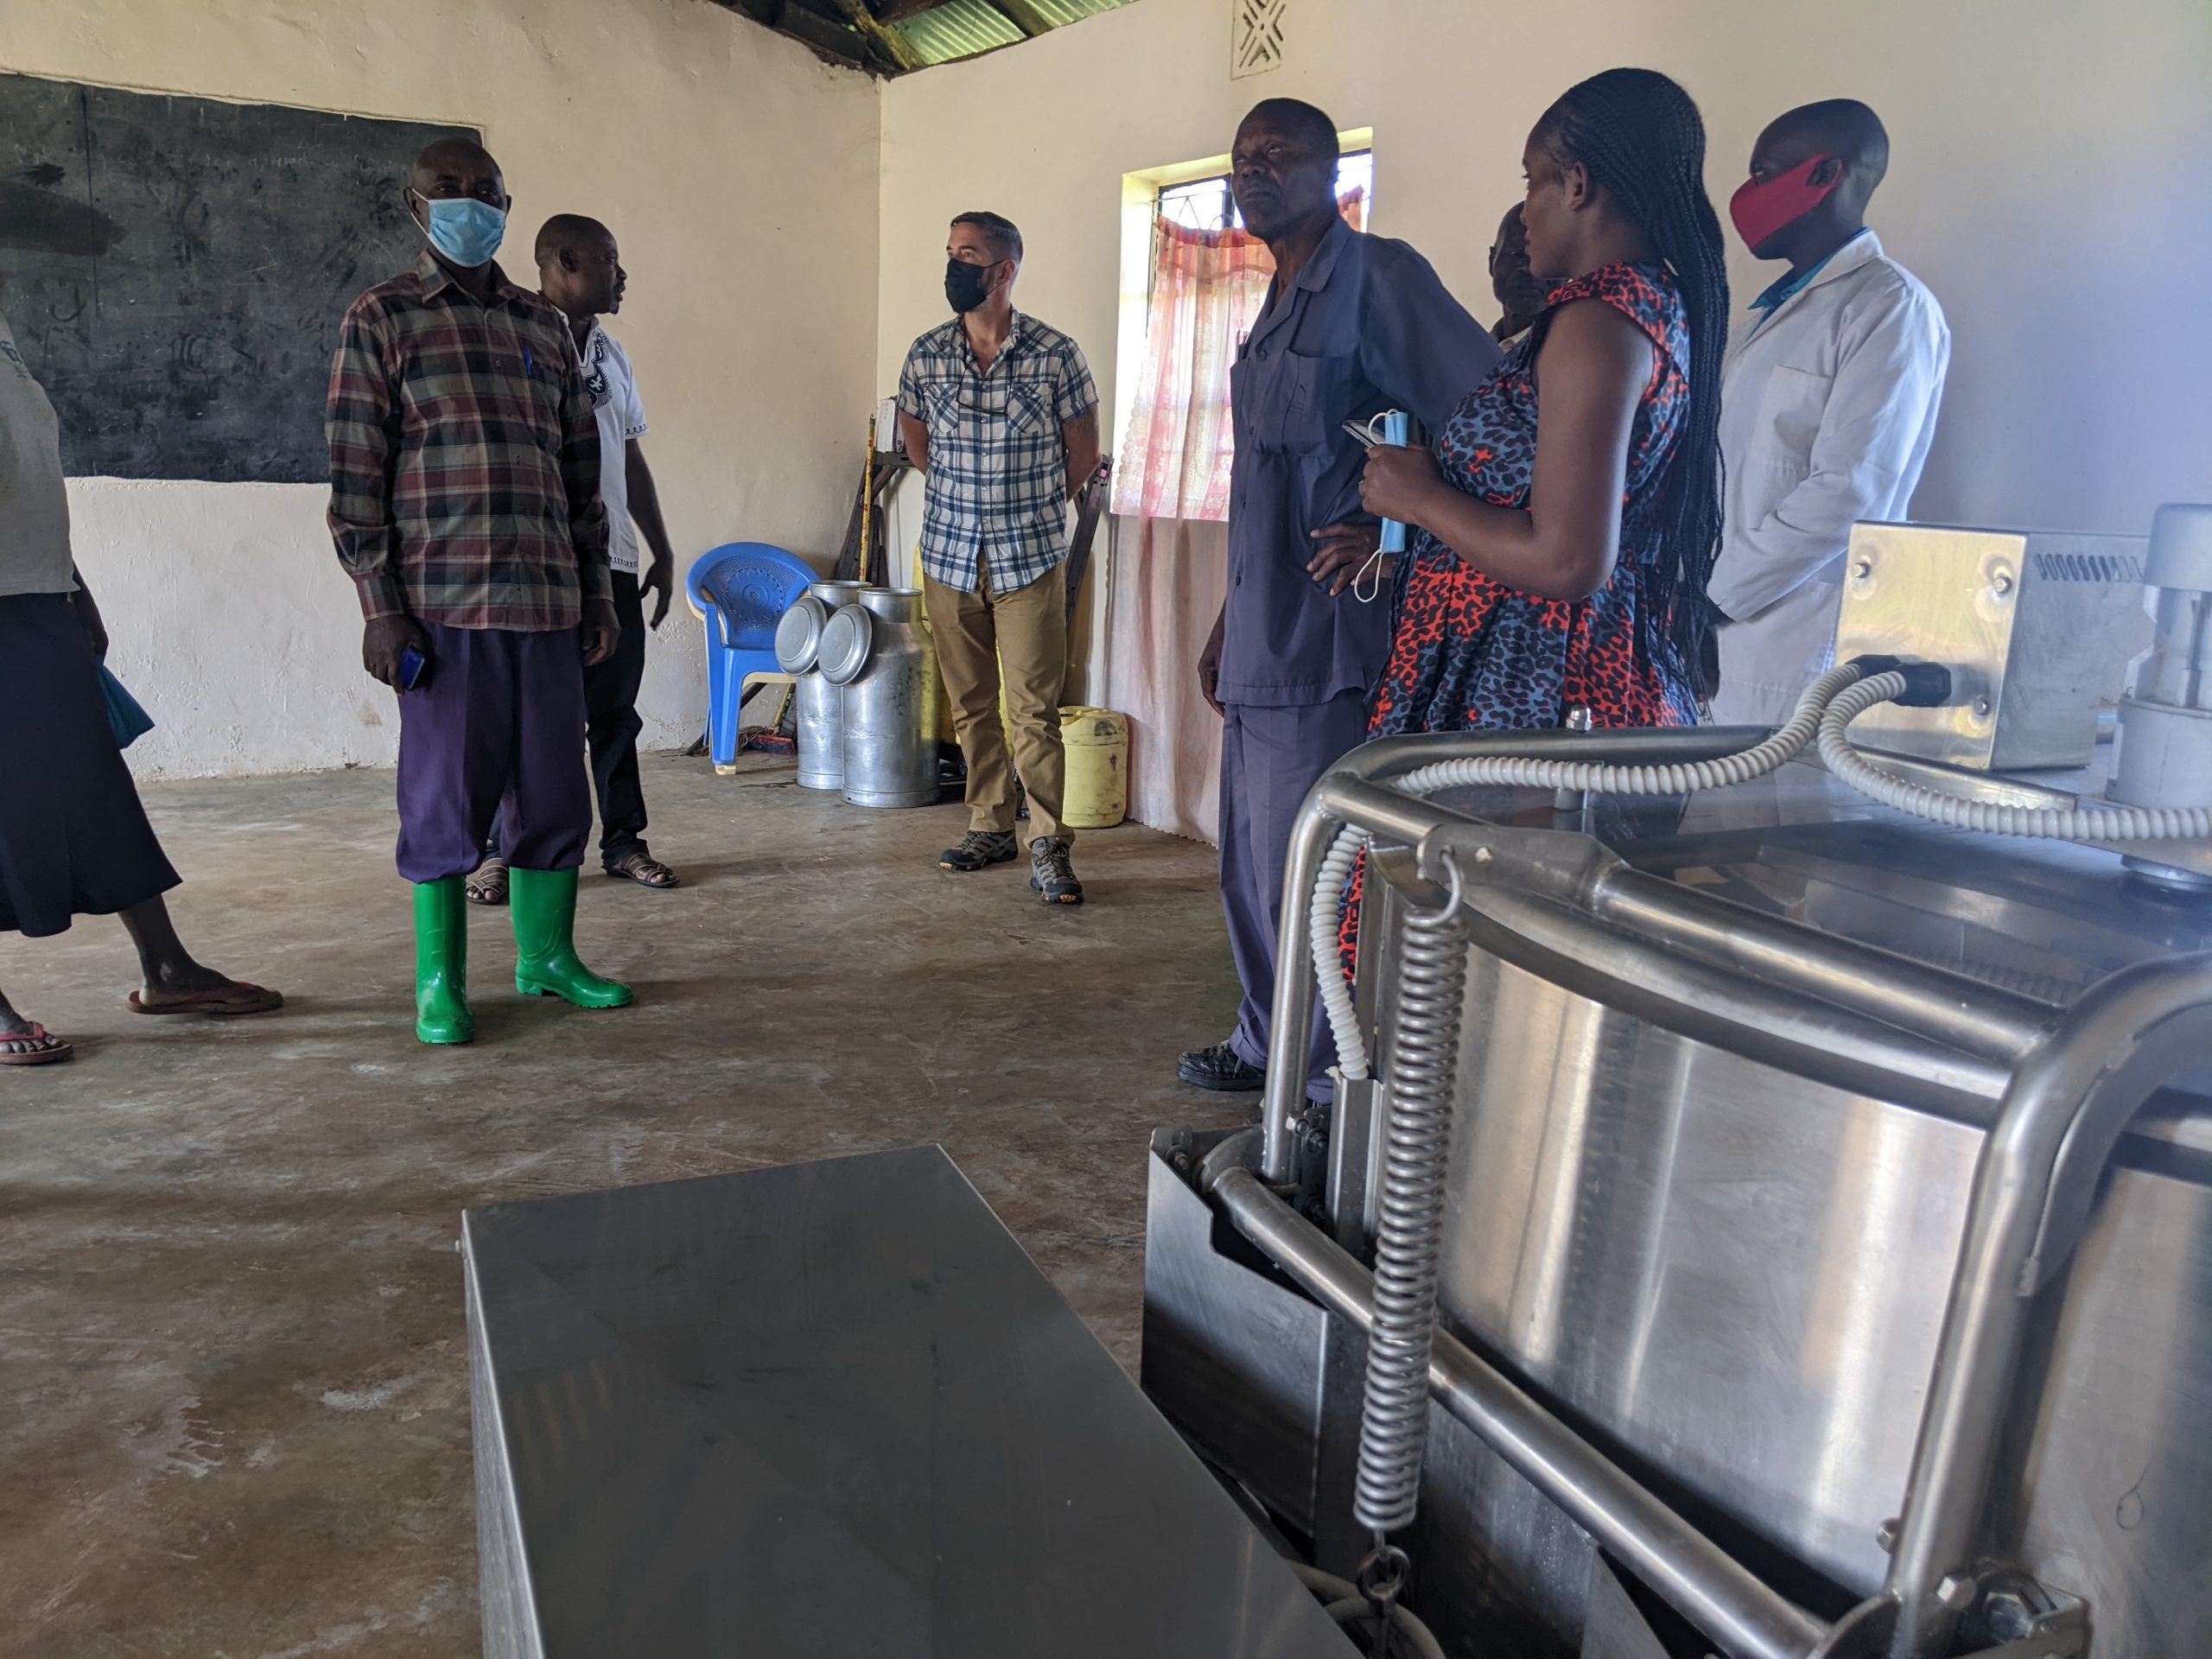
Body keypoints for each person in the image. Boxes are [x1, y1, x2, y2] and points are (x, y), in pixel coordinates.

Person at [1177, 99, 1499, 1101]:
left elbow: (1492, 426)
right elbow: (1267, 485)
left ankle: (1321, 1088)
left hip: (1331, 638)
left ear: (1333, 178)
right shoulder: (1275, 301)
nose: (1254, 170)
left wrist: (1397, 532)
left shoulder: (1380, 278)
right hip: (1264, 634)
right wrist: (1228, 622)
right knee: (1252, 862)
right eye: (1243, 158)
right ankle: (1265, 1038)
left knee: (1317, 874)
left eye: (1279, 155)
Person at [327, 137, 631, 1046]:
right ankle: (439, 983)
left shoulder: (543, 325)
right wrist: (381, 605)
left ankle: (545, 958)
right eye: (448, 189)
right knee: (445, 800)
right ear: (415, 204)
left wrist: (599, 596)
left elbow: (582, 474)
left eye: (485, 191)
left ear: (506, 204)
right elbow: (355, 478)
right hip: (443, 611)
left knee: (553, 794)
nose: (469, 203)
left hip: (546, 606)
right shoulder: (382, 319)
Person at [1357, 67, 1729, 743]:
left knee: (1496, 856)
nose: (1524, 211)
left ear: (1578, 184)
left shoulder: (1597, 320)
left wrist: (1420, 500)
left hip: (1535, 690)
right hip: (1545, 674)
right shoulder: (1646, 306)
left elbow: (1567, 561)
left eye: (1531, 181)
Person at [0, 312, 281, 1065]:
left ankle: (165, 968)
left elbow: (28, 476)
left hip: (33, 593)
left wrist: (72, 582)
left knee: (92, 786)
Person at [1707, 100, 1950, 725]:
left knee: (1776, 816)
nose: (1748, 195)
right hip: (1720, 634)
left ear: (1824, 175)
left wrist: (1712, 596)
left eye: (1763, 173)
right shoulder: (1768, 315)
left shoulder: (1890, 307)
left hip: (1795, 641)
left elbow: (1852, 489)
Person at [467, 213, 682, 906]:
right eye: (609, 261)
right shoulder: (513, 339)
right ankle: (502, 851)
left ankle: (624, 842)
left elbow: (630, 454)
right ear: (564, 261)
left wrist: (660, 545)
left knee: (615, 711)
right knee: (528, 716)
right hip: (537, 566)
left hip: (611, 560)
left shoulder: (613, 356)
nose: (622, 276)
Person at [897, 211, 1102, 906]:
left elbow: (1084, 452)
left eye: (970, 255)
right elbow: (917, 446)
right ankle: (990, 825)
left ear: (1005, 270)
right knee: (970, 704)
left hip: (1029, 558)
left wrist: (1034, 510)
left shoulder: (1056, 354)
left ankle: (1048, 842)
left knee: (1035, 709)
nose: (955, 266)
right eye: (950, 251)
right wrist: (966, 503)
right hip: (950, 555)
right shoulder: (925, 355)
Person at [1489, 204, 1550, 348]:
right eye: (1515, 254)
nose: (1528, 269)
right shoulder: (1467, 353)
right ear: (1491, 262)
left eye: (1545, 257)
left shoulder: (1586, 358)